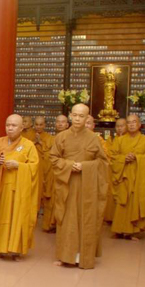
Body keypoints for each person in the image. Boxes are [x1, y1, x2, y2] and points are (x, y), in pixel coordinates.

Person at [50, 103, 108, 269]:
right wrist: (69, 165)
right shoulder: (61, 137)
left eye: (81, 116)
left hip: (87, 186)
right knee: (67, 219)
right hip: (67, 183)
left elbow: (103, 162)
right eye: (74, 115)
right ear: (70, 115)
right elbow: (53, 158)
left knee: (86, 218)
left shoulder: (93, 138)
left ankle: (84, 256)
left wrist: (85, 166)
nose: (77, 119)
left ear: (87, 118)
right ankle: (65, 255)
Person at [0, 114, 39, 260]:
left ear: (22, 128)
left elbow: (34, 167)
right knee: (1, 218)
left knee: (18, 218)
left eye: (14, 125)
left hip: (19, 189)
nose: (10, 128)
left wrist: (18, 166)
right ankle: (0, 249)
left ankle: (16, 250)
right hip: (2, 188)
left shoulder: (28, 145)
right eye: (8, 125)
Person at [110, 114, 145, 240]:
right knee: (122, 202)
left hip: (139, 178)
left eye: (134, 122)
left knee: (136, 202)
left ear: (139, 124)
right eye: (128, 122)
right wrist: (123, 158)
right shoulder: (119, 140)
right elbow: (112, 157)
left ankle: (133, 231)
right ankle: (119, 229)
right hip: (123, 176)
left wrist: (137, 157)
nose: (131, 125)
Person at [42, 114, 71, 232]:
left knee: (63, 198)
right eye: (58, 122)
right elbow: (46, 155)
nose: (60, 124)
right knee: (50, 198)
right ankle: (50, 224)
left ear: (67, 125)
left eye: (63, 122)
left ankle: (61, 224)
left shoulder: (70, 138)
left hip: (64, 172)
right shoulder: (50, 138)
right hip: (51, 172)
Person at [104, 118, 128, 222]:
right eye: (117, 126)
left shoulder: (130, 140)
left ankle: (123, 219)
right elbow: (108, 154)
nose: (119, 128)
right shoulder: (111, 140)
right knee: (111, 194)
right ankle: (111, 217)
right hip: (113, 169)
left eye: (122, 126)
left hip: (126, 171)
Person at [33, 115, 54, 209]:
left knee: (45, 188)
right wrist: (34, 142)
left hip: (46, 168)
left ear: (45, 125)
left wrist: (41, 143)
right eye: (36, 124)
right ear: (34, 125)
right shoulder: (29, 136)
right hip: (34, 168)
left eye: (41, 124)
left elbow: (51, 154)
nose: (38, 127)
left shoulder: (50, 138)